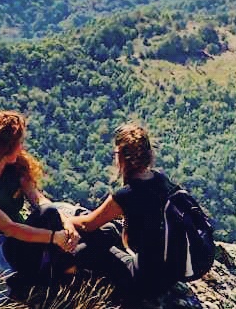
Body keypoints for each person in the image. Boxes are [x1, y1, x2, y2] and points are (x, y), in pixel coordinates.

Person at [0, 110, 78, 308]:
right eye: (19, 143)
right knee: (46, 217)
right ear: (6, 147)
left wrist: (65, 221)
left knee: (50, 214)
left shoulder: (14, 171)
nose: (22, 148)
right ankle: (64, 276)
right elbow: (9, 228)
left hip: (21, 243)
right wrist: (54, 237)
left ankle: (56, 275)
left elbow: (39, 200)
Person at [70, 122, 179, 296]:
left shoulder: (126, 194)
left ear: (121, 157)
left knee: (94, 244)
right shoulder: (161, 180)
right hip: (169, 275)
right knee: (110, 231)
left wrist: (64, 218)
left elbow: (87, 225)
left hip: (142, 281)